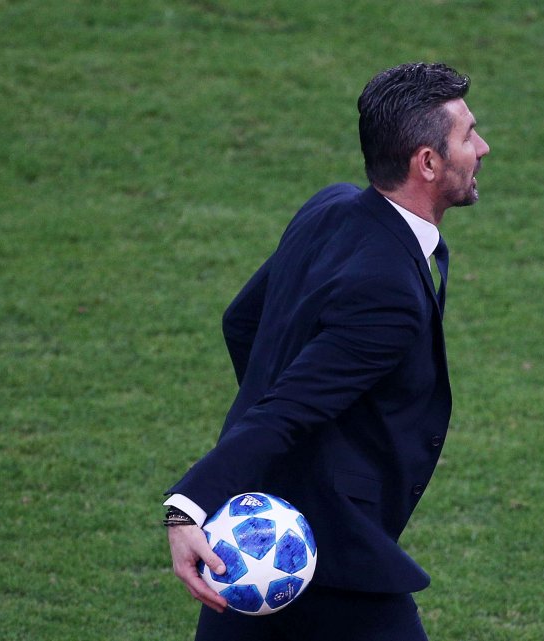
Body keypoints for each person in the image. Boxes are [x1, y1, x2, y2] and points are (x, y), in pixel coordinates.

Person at [163, 62, 490, 641]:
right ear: (427, 162)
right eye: (468, 135)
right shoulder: (389, 289)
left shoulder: (331, 207)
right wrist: (187, 506)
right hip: (331, 549)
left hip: (262, 533)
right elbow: (288, 406)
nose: (483, 147)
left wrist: (302, 442)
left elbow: (242, 322)